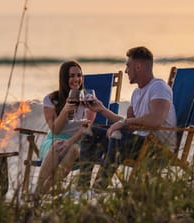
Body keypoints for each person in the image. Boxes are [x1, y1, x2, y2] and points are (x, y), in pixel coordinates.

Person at [77, 46, 177, 190]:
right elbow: (129, 126)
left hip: (157, 149)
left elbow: (156, 120)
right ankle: (82, 188)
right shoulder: (136, 93)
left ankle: (99, 188)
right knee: (90, 132)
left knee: (117, 135)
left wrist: (123, 123)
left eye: (128, 66)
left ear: (138, 67)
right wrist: (102, 109)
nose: (125, 71)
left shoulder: (159, 87)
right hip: (139, 144)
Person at [36, 60, 94, 196]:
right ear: (64, 78)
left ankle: (39, 193)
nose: (76, 79)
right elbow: (55, 130)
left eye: (79, 75)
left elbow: (86, 127)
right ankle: (40, 191)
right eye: (72, 76)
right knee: (57, 145)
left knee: (73, 149)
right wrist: (65, 110)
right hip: (54, 141)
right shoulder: (51, 99)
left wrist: (70, 142)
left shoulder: (89, 99)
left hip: (78, 141)